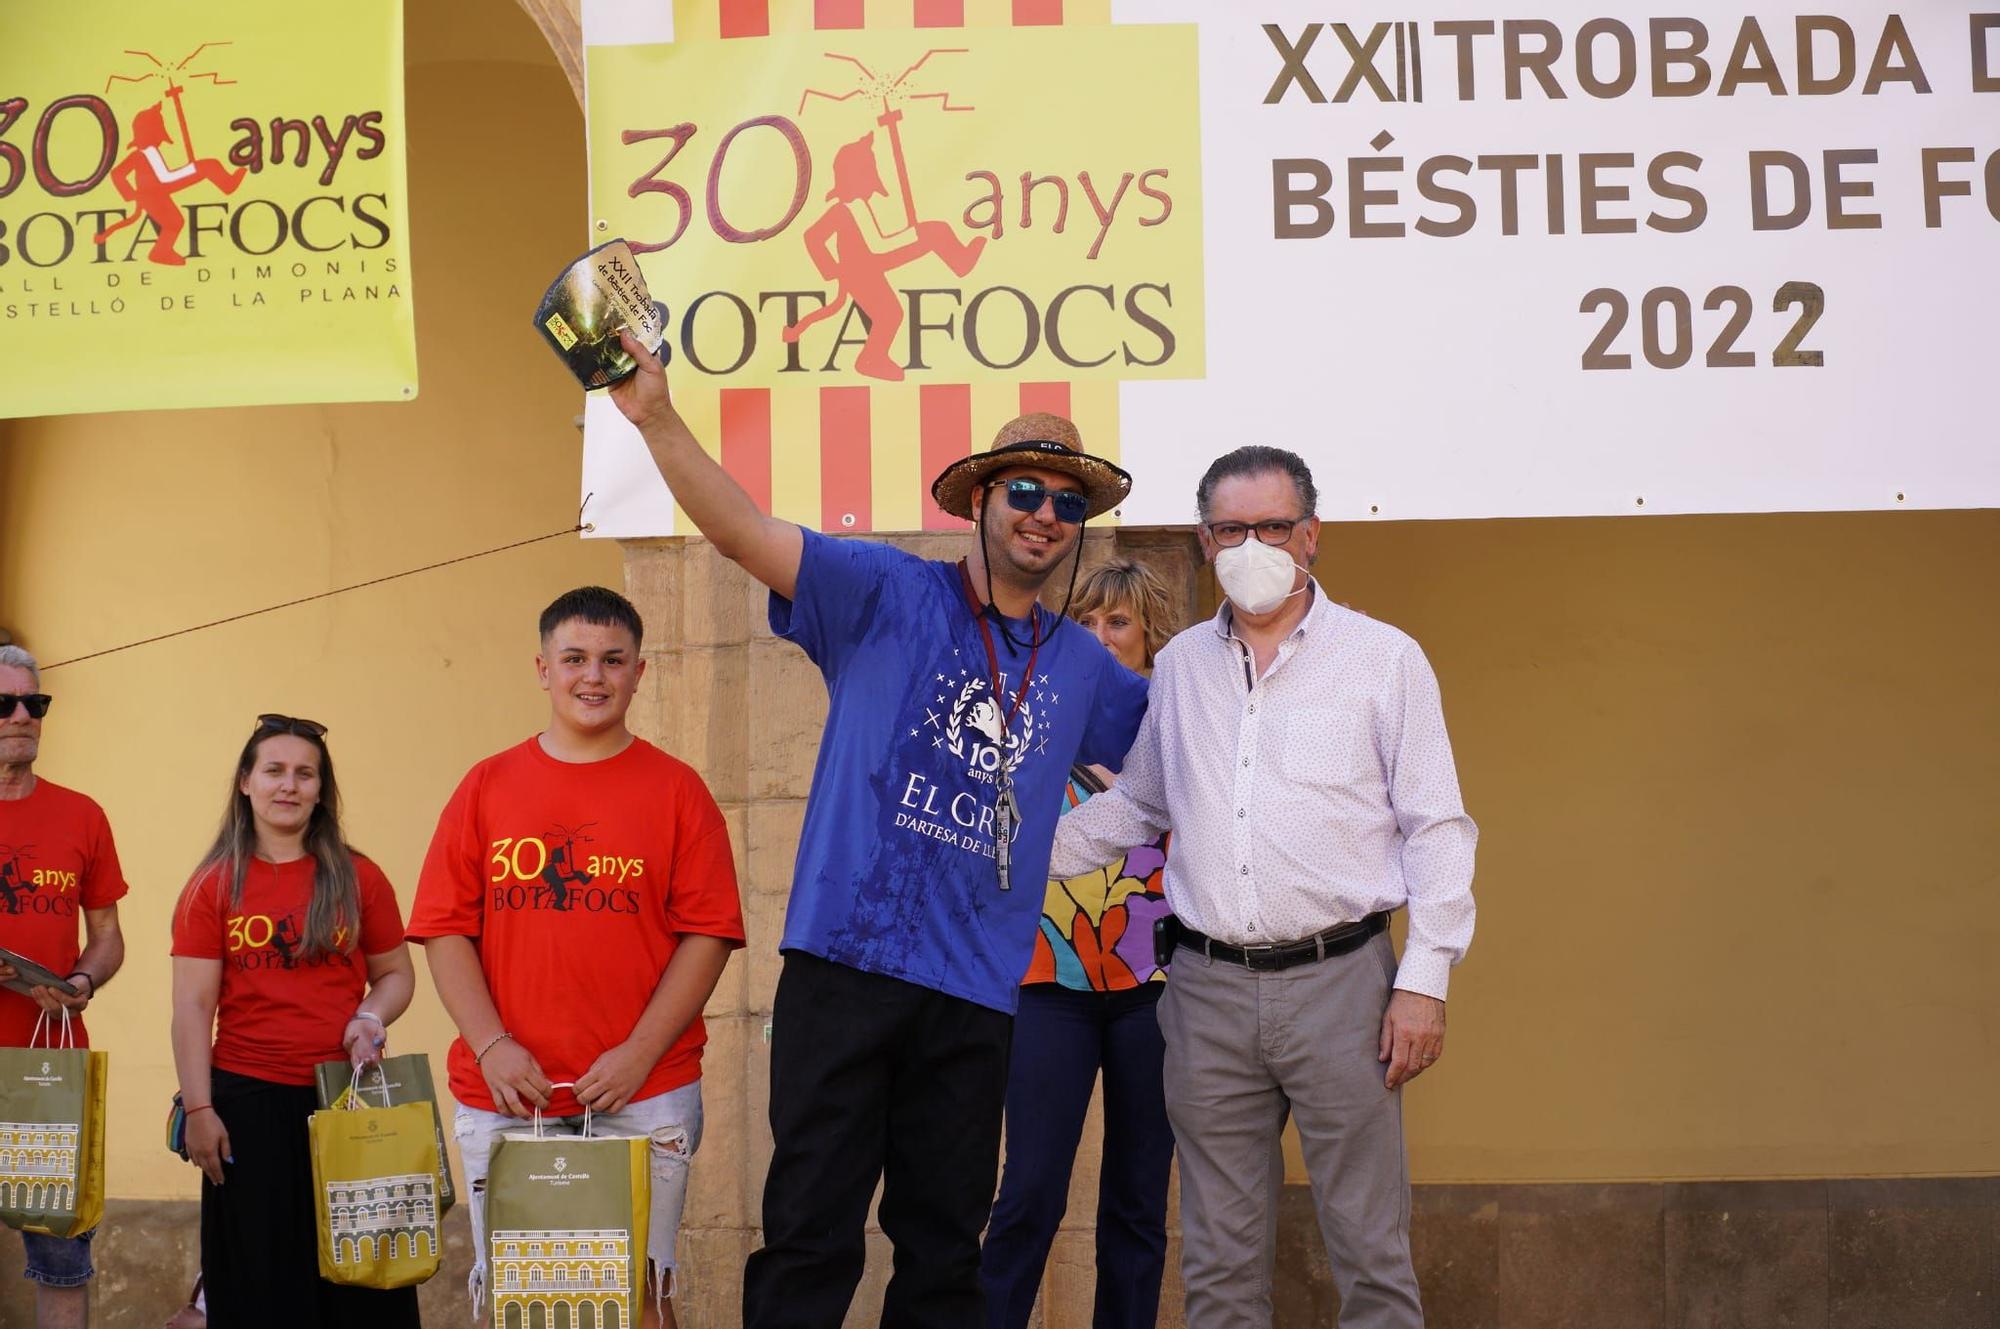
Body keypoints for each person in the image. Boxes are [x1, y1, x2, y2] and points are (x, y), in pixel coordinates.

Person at [606, 332, 1150, 1328]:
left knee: (944, 1256)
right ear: (978, 500)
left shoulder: (1082, 666)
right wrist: (652, 415)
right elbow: (737, 531)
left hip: (974, 993)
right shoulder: (881, 590)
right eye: (1023, 492)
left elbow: (1192, 747)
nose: (1044, 516)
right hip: (843, 966)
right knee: (809, 1235)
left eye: (1068, 503)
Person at [1051, 446, 1479, 1329]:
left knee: (1370, 1251)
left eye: (1273, 526)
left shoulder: (1383, 660)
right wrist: (1011, 853)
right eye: (1233, 528)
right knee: (1218, 1264)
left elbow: (1436, 827)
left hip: (1344, 987)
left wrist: (1425, 979)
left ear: (1311, 535)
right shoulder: (1178, 672)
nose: (1254, 544)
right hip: (1206, 994)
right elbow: (1139, 803)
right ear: (1207, 542)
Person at [407, 586, 744, 1329]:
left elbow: (709, 934)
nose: (593, 676)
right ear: (543, 668)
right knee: (521, 1301)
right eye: (575, 658)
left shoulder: (678, 791)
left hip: (643, 1092)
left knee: (643, 1299)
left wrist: (637, 1053)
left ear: (639, 672)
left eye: (612, 660)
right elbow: (442, 929)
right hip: (505, 1096)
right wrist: (491, 1045)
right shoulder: (485, 787)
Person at [168, 713, 419, 1329]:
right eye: (274, 770)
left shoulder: (361, 878)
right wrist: (200, 1111)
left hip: (348, 1103)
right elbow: (192, 1008)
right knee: (260, 1290)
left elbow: (396, 975)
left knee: (365, 1288)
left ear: (320, 789)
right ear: (246, 784)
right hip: (247, 1105)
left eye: (305, 774)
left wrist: (370, 1018)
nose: (289, 785)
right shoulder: (212, 886)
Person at [981, 560, 1181, 1329]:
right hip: (1044, 983)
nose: (1100, 637)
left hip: (1156, 986)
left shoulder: (1179, 728)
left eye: (1119, 622)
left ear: (1148, 637)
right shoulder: (1028, 719)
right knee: (1028, 1189)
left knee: (1136, 1199)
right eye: (1086, 622)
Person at [0, 646, 128, 1329]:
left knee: (63, 1259)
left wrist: (81, 976)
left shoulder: (82, 815)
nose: (22, 716)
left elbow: (108, 934)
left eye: (35, 703)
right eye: (6, 703)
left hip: (50, 1070)